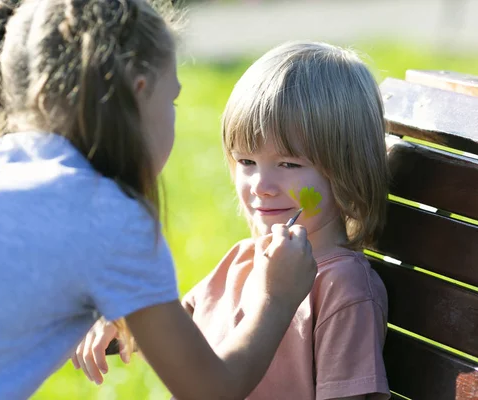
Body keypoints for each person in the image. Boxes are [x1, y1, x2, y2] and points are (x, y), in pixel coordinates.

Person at [0, 1, 318, 398]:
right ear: (140, 94)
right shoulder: (110, 216)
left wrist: (126, 314)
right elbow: (211, 391)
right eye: (172, 101)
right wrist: (276, 297)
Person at [76, 41, 391, 399]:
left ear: (347, 168)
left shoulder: (342, 287)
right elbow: (178, 335)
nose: (262, 185)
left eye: (289, 164)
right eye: (246, 162)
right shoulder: (243, 259)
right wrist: (122, 326)